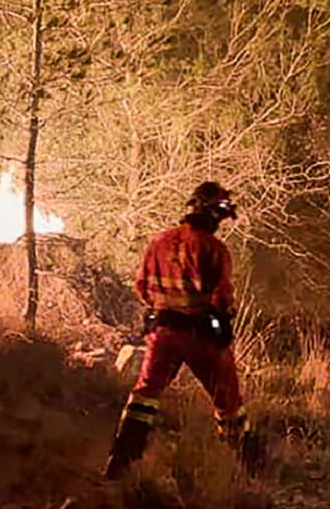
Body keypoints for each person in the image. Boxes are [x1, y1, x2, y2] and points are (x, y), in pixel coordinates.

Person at [104, 181, 254, 478]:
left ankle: (121, 460)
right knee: (227, 398)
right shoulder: (214, 249)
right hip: (201, 335)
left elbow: (141, 286)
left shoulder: (160, 241)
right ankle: (249, 463)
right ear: (214, 214)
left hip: (162, 333)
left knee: (145, 394)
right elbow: (221, 298)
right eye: (222, 214)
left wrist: (163, 305)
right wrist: (222, 318)